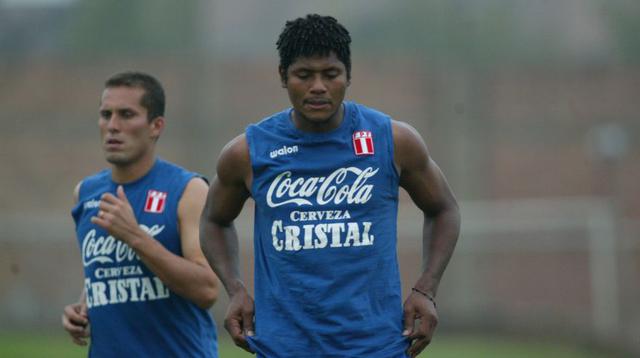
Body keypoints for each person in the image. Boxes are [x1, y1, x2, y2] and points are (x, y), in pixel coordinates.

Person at [200, 14, 460, 358]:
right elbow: (213, 220)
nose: (318, 86)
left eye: (330, 74)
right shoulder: (248, 152)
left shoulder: (391, 140)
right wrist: (235, 289)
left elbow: (444, 209)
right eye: (304, 75)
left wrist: (426, 289)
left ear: (348, 75)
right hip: (283, 347)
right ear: (283, 77)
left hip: (376, 345)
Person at [62, 71, 219, 357]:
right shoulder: (85, 193)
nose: (112, 126)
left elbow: (207, 290)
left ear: (156, 126)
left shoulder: (187, 190)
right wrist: (83, 308)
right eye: (105, 114)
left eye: (126, 115)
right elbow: (110, 272)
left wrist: (135, 236)